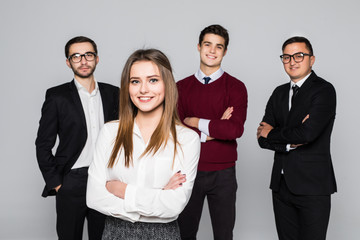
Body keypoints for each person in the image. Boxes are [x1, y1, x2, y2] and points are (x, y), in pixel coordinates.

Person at [86, 48, 200, 240]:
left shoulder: (187, 139)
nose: (143, 89)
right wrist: (158, 195)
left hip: (164, 235)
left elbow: (174, 206)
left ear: (167, 84)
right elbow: (94, 198)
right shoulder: (110, 132)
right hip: (115, 234)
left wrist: (122, 190)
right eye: (135, 81)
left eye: (153, 80)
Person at [35, 36, 119, 240]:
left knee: (104, 236)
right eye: (76, 56)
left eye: (88, 55)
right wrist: (57, 183)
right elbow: (43, 144)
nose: (83, 61)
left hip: (105, 180)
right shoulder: (57, 96)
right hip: (71, 181)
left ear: (97, 59)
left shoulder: (114, 93)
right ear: (68, 62)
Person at [257, 36, 337, 240]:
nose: (292, 61)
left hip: (313, 186)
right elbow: (261, 138)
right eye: (286, 57)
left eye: (299, 55)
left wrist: (274, 133)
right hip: (281, 185)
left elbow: (308, 134)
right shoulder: (279, 93)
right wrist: (291, 139)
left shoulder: (324, 90)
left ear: (312, 59)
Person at [176, 24, 248, 240]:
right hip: (188, 170)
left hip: (224, 173)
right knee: (185, 233)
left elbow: (235, 129)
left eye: (219, 46)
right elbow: (176, 131)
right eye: (208, 44)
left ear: (225, 51)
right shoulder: (180, 87)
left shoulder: (236, 87)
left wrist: (196, 121)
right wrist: (215, 128)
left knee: (224, 234)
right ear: (199, 47)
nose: (212, 50)